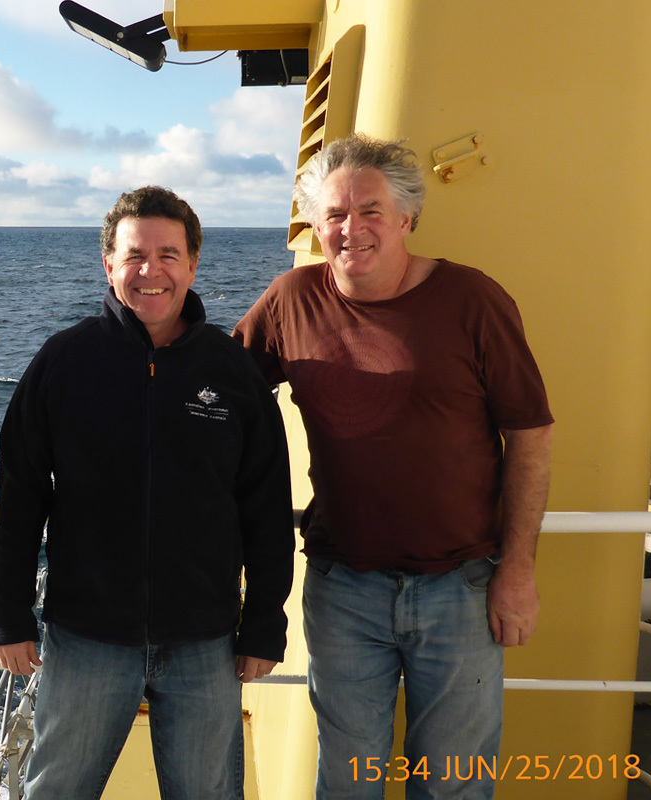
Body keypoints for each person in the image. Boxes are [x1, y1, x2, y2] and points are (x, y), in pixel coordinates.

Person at [233, 133, 554, 799]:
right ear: (315, 225)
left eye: (370, 211)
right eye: (335, 215)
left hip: (461, 588)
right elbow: (213, 398)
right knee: (349, 782)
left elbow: (530, 437)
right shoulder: (291, 300)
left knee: (453, 784)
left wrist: (518, 569)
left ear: (406, 217)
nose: (352, 229)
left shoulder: (472, 300)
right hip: (343, 585)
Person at [0, 185, 295, 800]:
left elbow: (265, 503)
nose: (150, 271)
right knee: (57, 790)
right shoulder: (63, 361)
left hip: (206, 641)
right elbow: (22, 494)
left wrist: (263, 622)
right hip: (85, 639)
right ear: (108, 264)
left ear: (193, 263)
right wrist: (10, 614)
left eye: (168, 254)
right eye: (134, 255)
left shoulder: (230, 371)